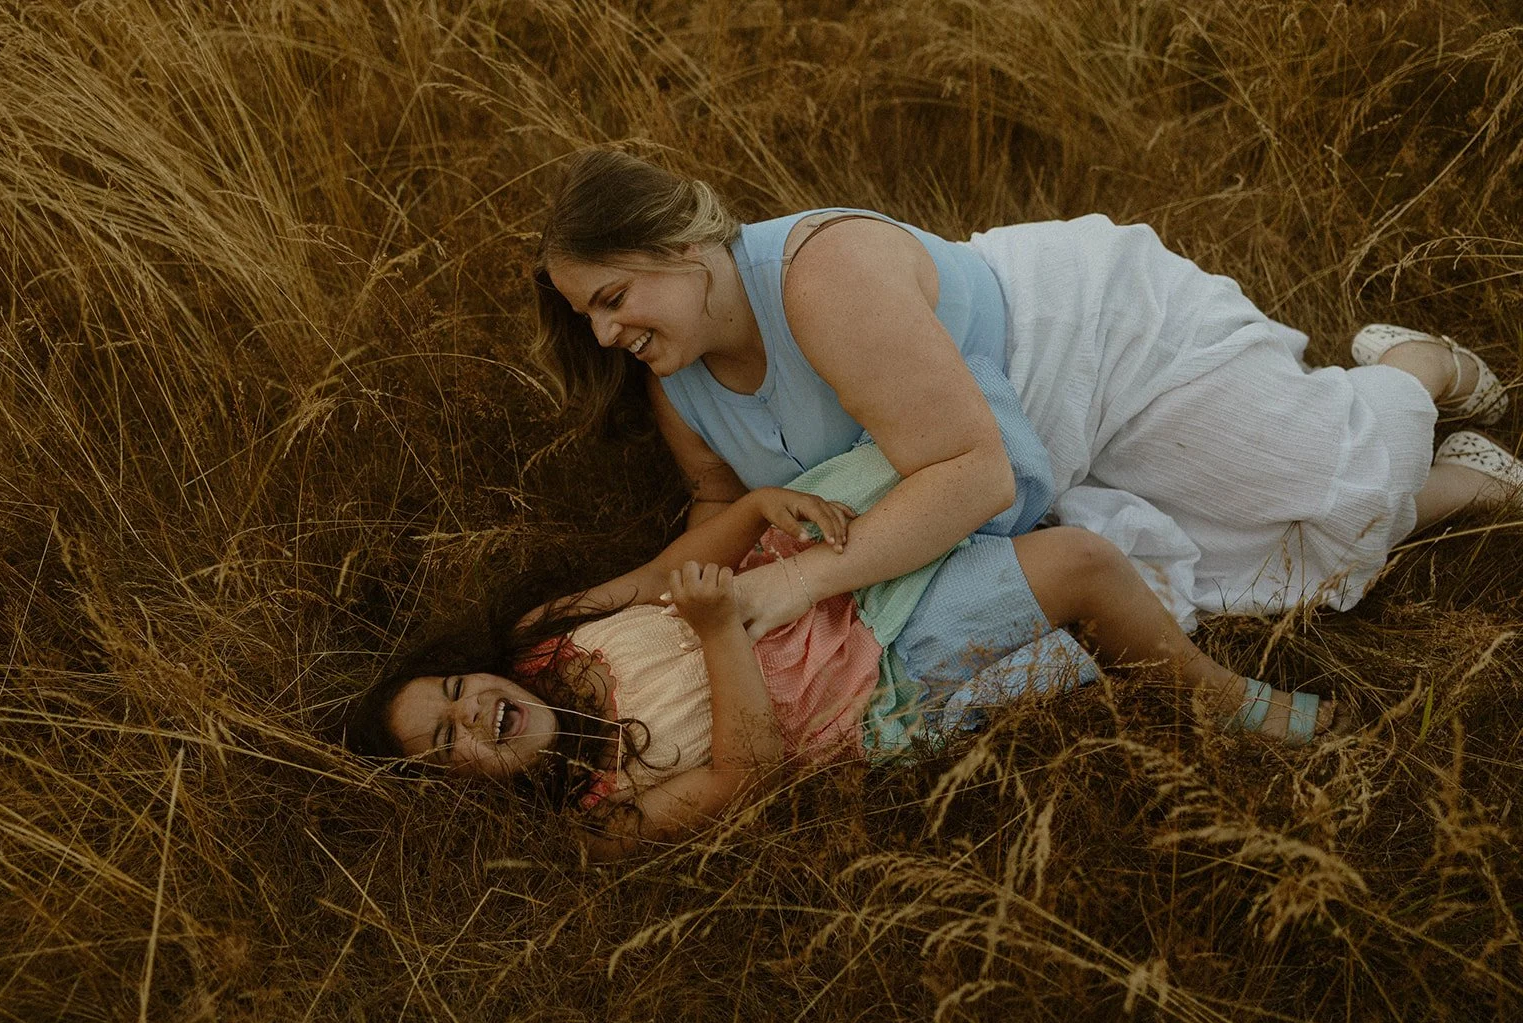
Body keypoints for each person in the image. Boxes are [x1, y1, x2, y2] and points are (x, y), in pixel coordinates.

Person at [530, 149, 1520, 661]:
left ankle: (1415, 370)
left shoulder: (819, 279)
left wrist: (806, 583)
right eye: (589, 318)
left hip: (1089, 343)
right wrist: (620, 596)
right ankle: (1462, 480)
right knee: (1273, 570)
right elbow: (717, 508)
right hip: (1007, 461)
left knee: (1322, 475)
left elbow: (973, 471)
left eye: (613, 299)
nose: (607, 336)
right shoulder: (680, 373)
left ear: (679, 240)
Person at [345, 445, 1340, 862]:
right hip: (873, 681)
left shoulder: (543, 634)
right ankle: (1227, 698)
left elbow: (666, 568)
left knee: (951, 460)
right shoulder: (604, 816)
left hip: (816, 588)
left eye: (449, 690)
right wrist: (717, 633)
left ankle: (1188, 466)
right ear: (457, 788)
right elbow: (749, 770)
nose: (470, 708)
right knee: (1080, 562)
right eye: (446, 739)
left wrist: (747, 512)